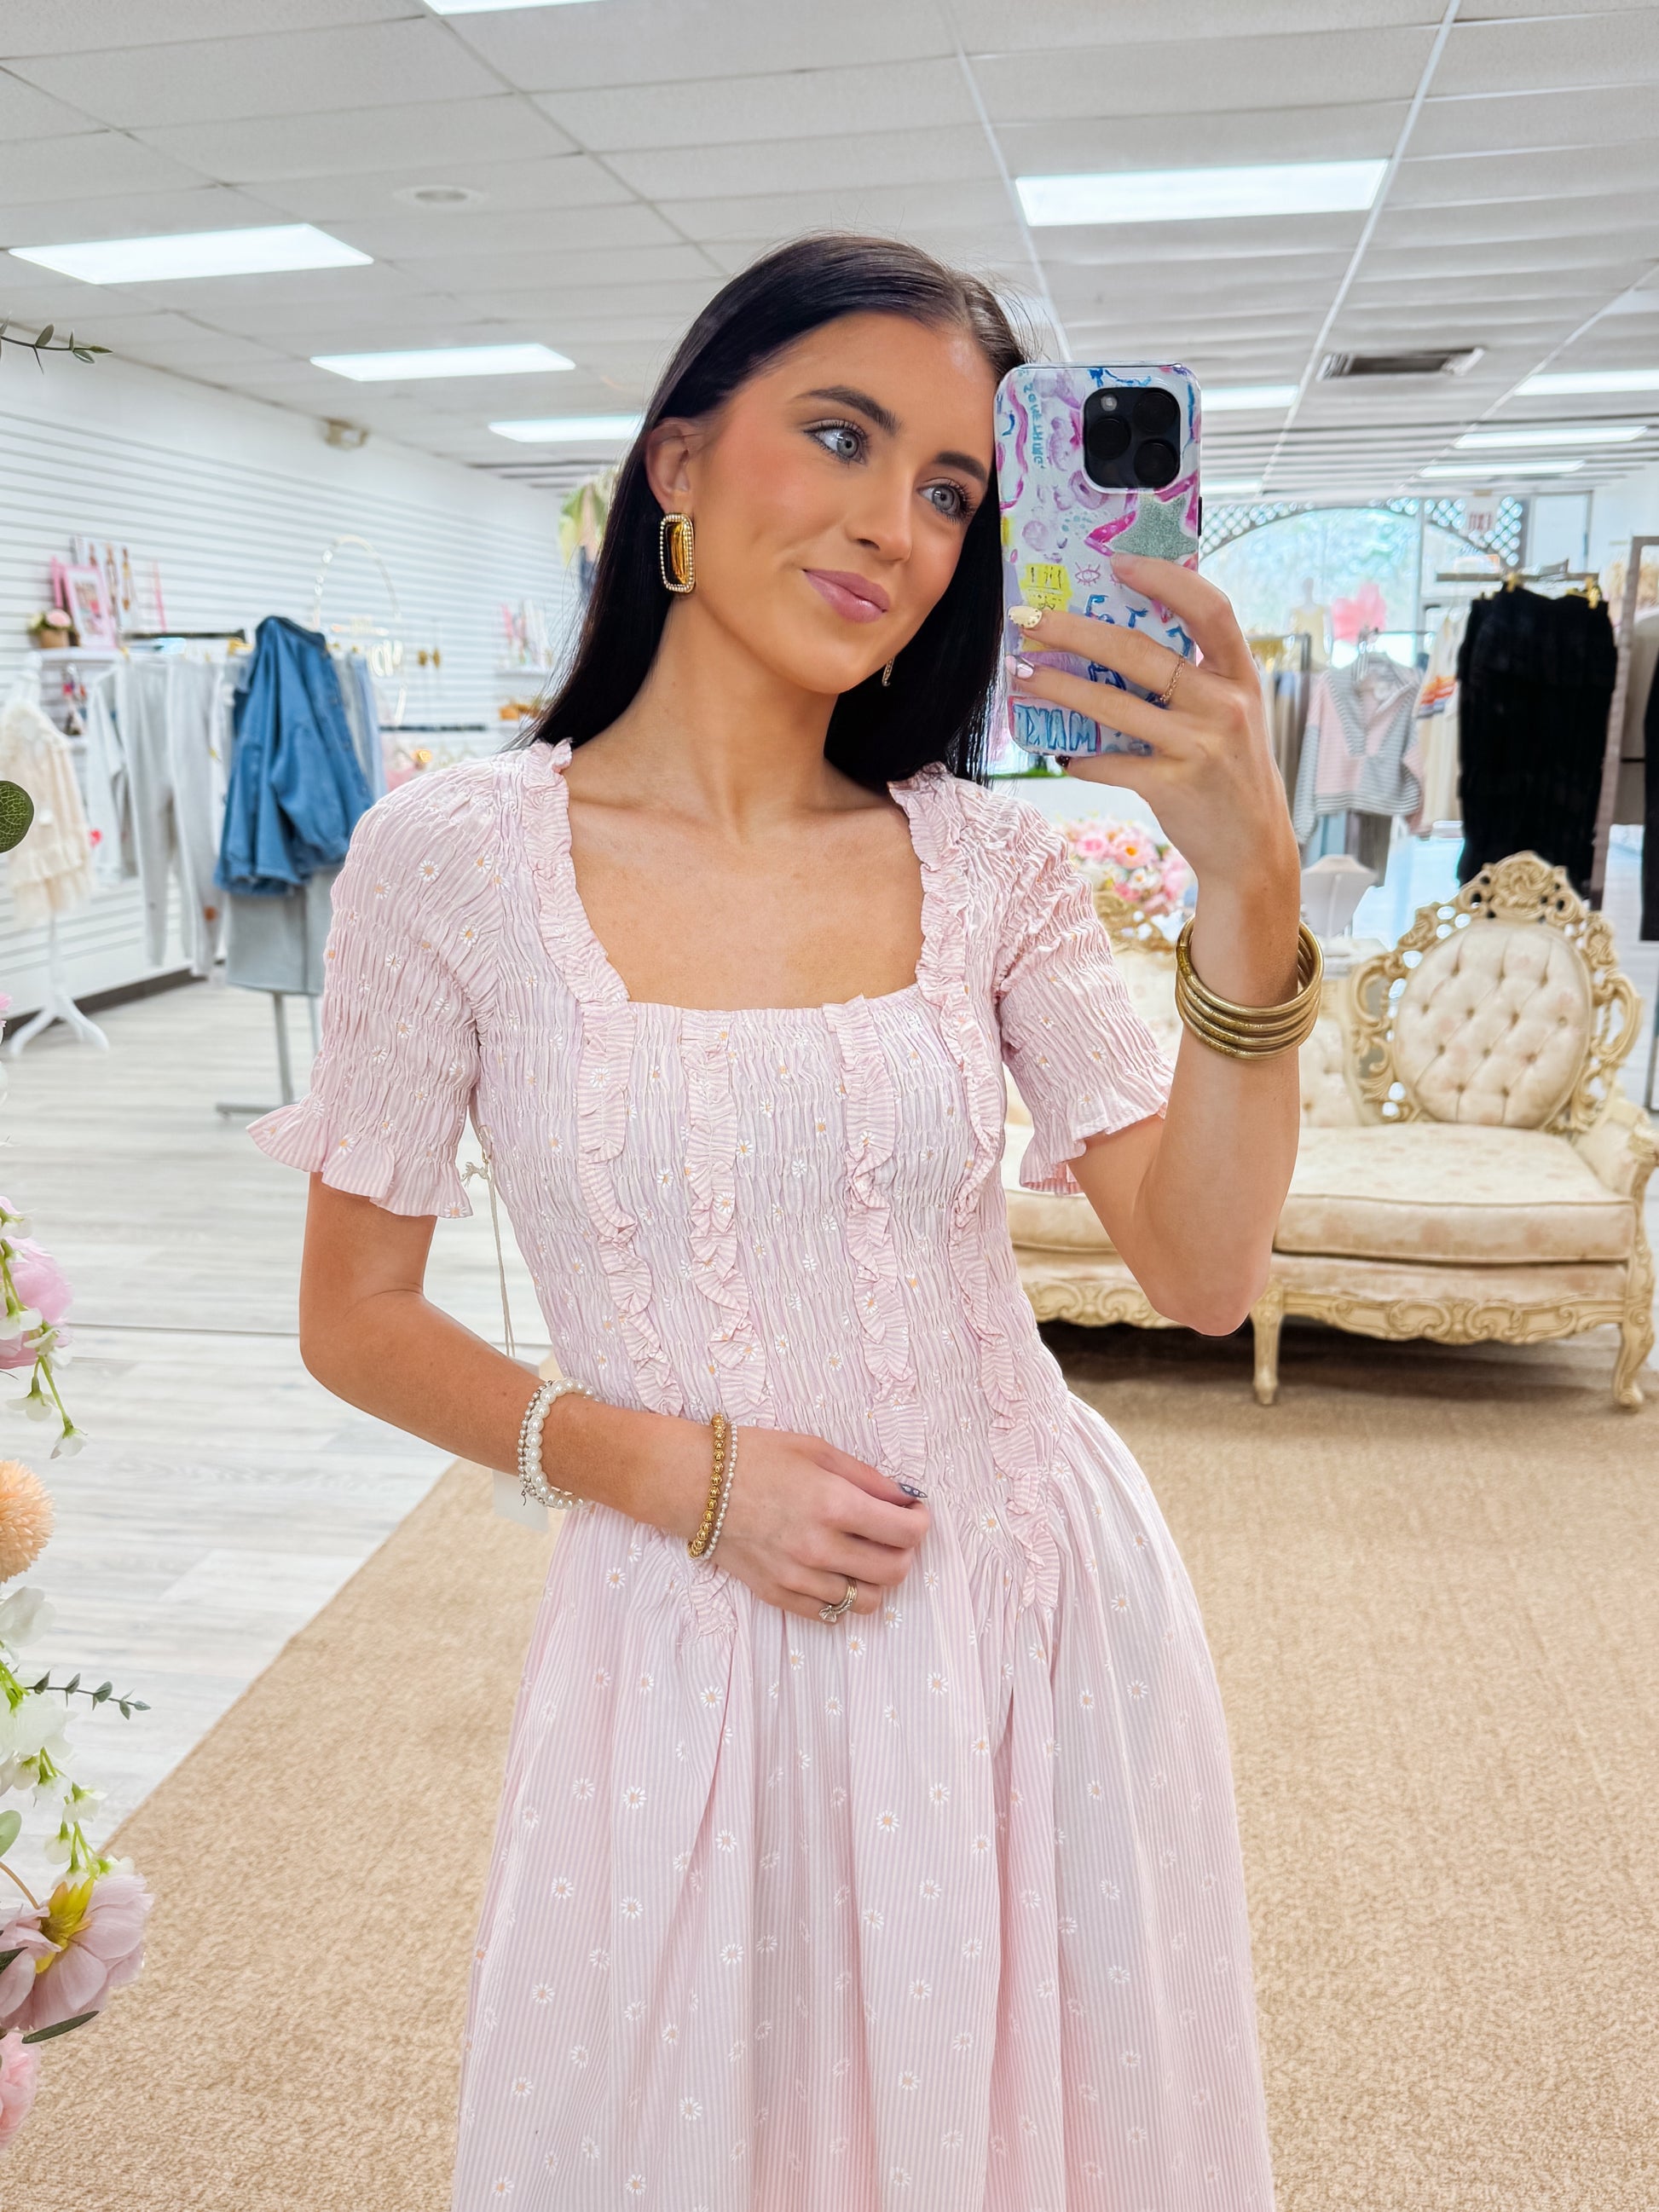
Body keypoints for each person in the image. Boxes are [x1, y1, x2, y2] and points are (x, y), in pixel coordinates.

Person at [251, 235, 1300, 2210]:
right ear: (675, 460)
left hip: (1024, 1614)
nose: (895, 523)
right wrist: (673, 1472)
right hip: (685, 1627)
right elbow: (356, 1312)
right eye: (840, 435)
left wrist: (1250, 889)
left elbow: (1202, 1265)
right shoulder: (451, 860)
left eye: (952, 487)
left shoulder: (988, 864)